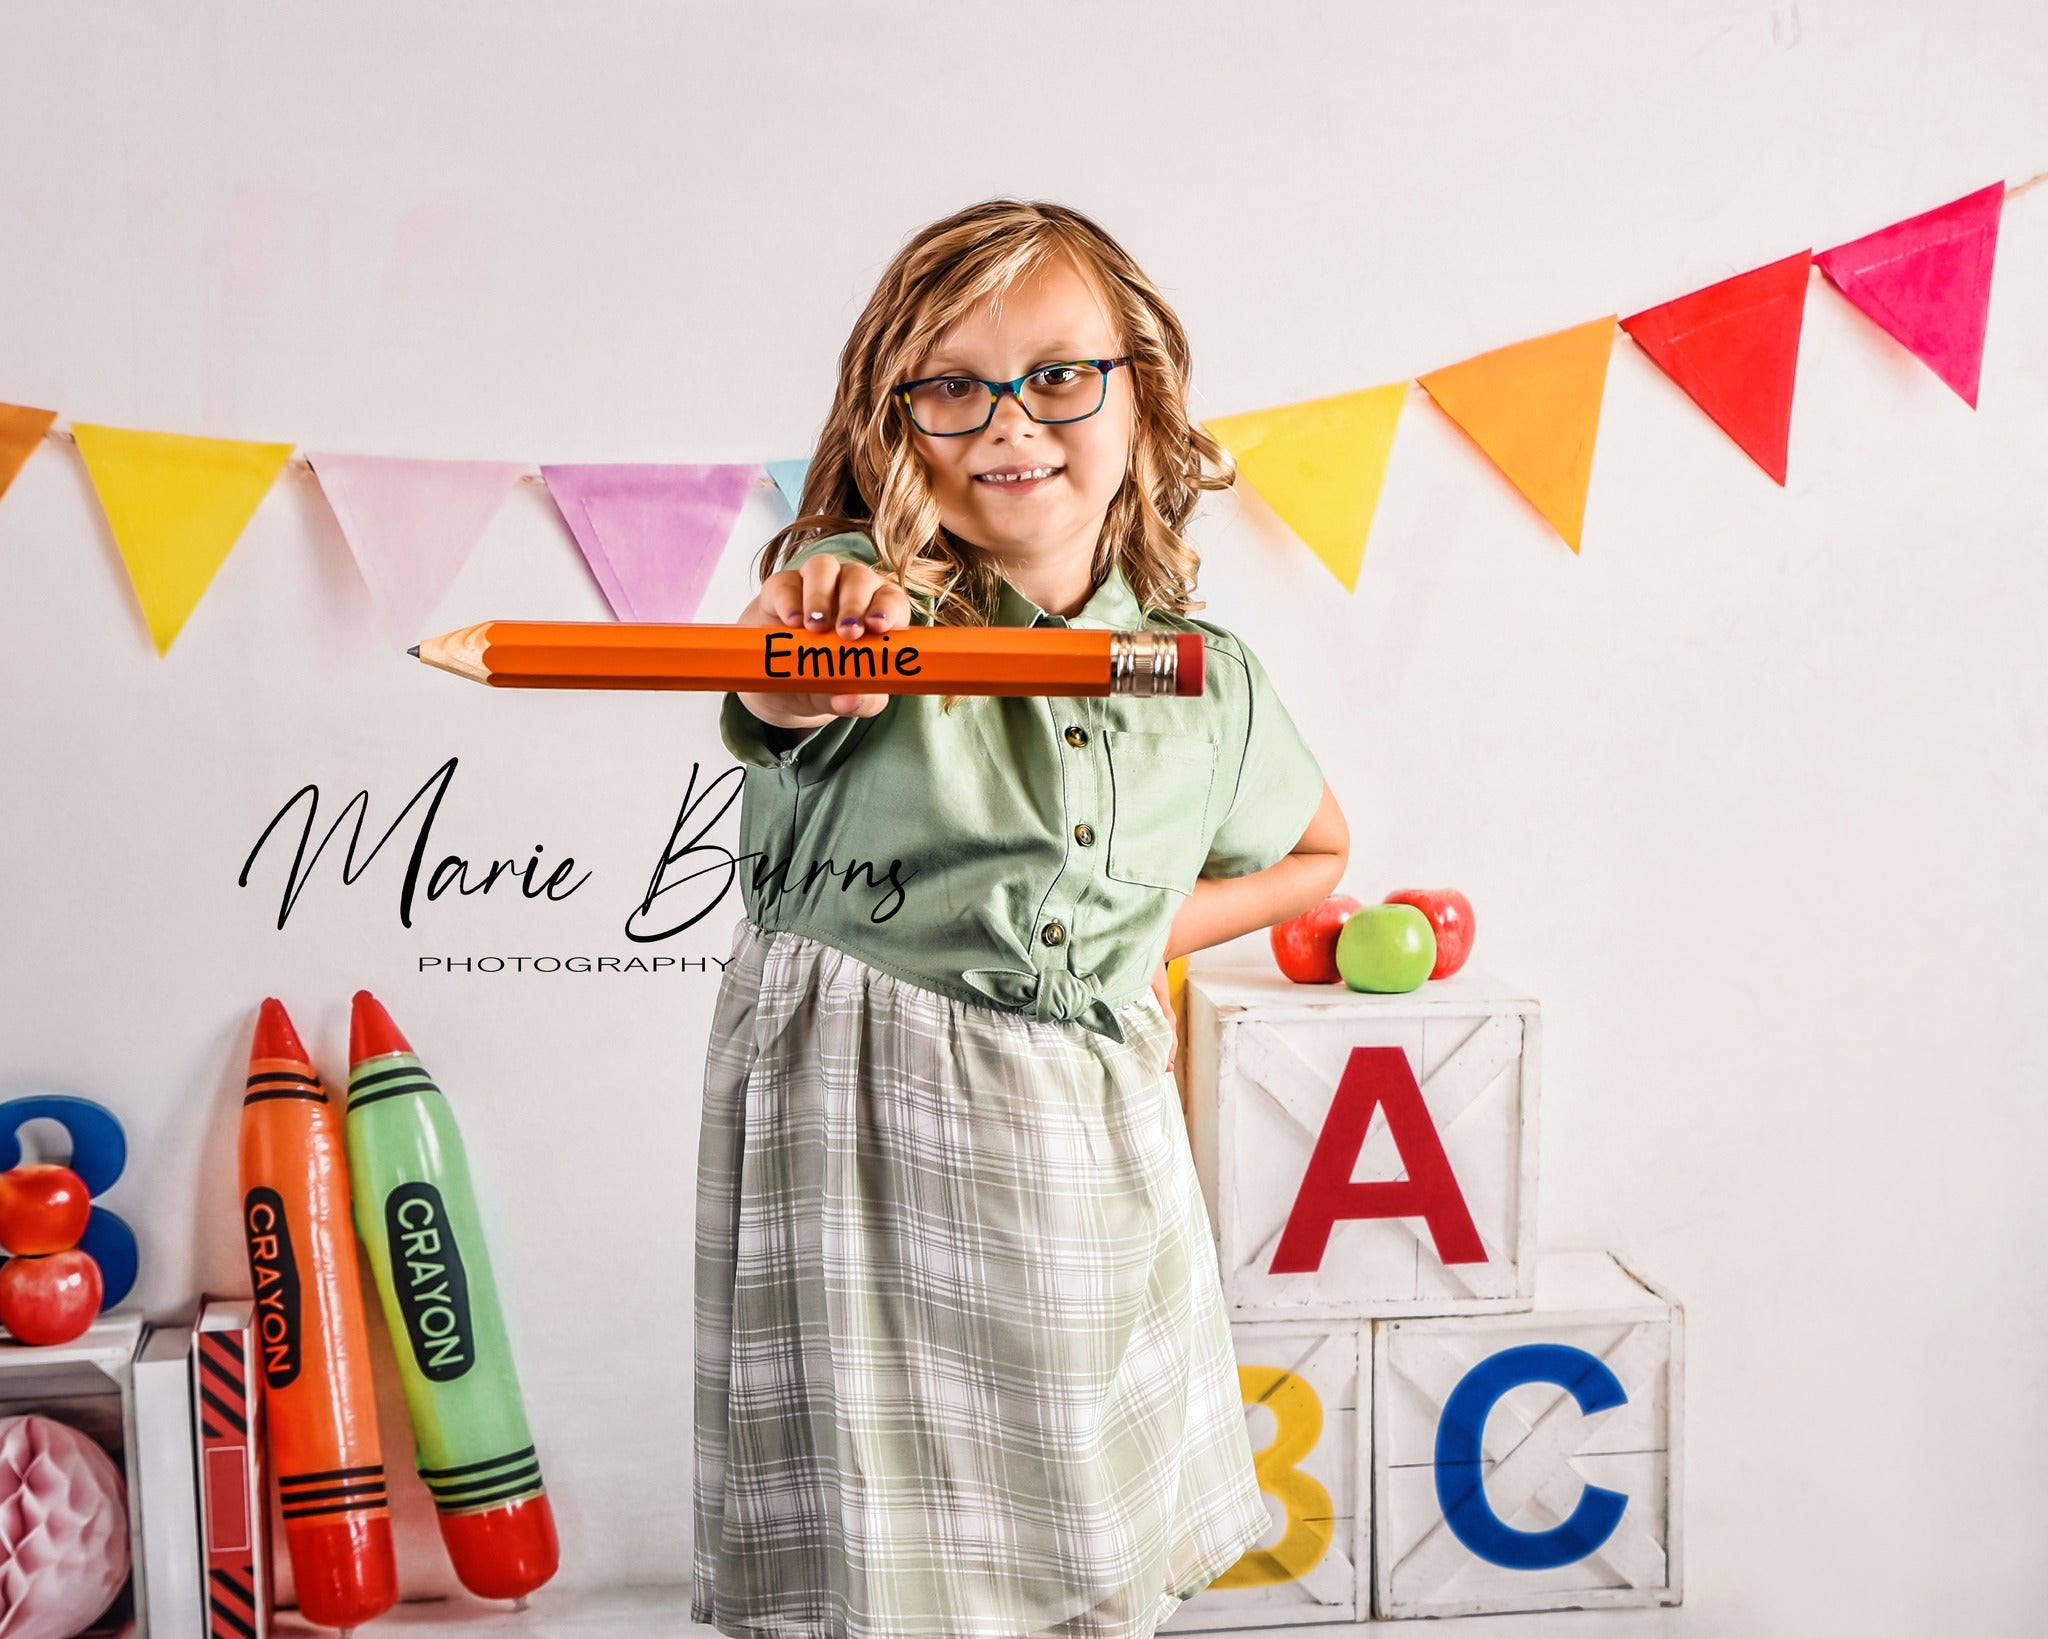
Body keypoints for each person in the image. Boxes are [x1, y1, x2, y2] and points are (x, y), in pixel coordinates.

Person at [694, 198, 1349, 1639]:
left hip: (1088, 1132)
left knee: (1079, 1536)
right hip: (868, 1129)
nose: (1010, 421)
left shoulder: (1203, 675)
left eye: (1059, 374)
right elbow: (786, 682)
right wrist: (811, 645)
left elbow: (1315, 852)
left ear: (1141, 395)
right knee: (889, 1562)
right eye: (951, 384)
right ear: (893, 415)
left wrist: (1126, 937)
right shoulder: (862, 604)